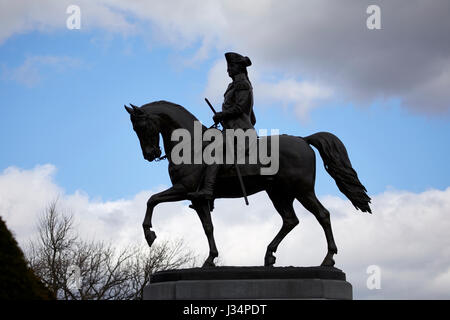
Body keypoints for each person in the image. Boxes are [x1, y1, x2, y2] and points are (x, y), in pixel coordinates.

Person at [188, 52, 256, 200]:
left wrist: (222, 115)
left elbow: (240, 108)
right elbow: (252, 116)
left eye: (231, 66)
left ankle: (208, 190)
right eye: (228, 66)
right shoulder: (234, 85)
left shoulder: (242, 84)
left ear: (239, 67)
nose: (228, 70)